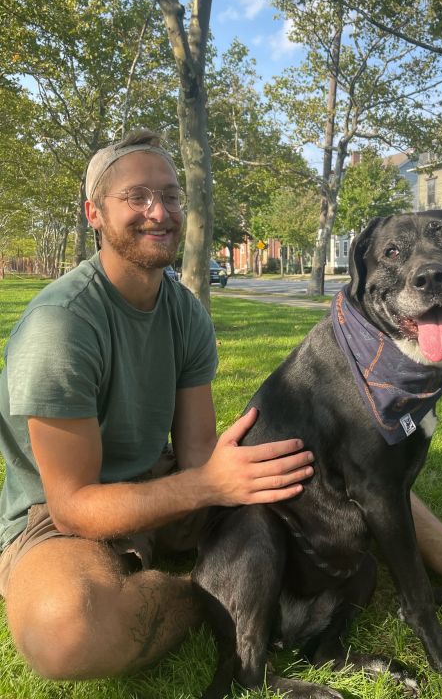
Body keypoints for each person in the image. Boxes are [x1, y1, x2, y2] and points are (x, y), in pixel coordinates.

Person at [0, 129, 315, 679]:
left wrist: (217, 479)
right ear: (94, 212)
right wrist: (210, 487)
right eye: (137, 196)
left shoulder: (184, 311)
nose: (160, 211)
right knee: (65, 637)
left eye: (170, 195)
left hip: (160, 483)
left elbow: (196, 455)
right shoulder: (62, 325)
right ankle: (208, 592)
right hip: (55, 518)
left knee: (325, 458)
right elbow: (74, 505)